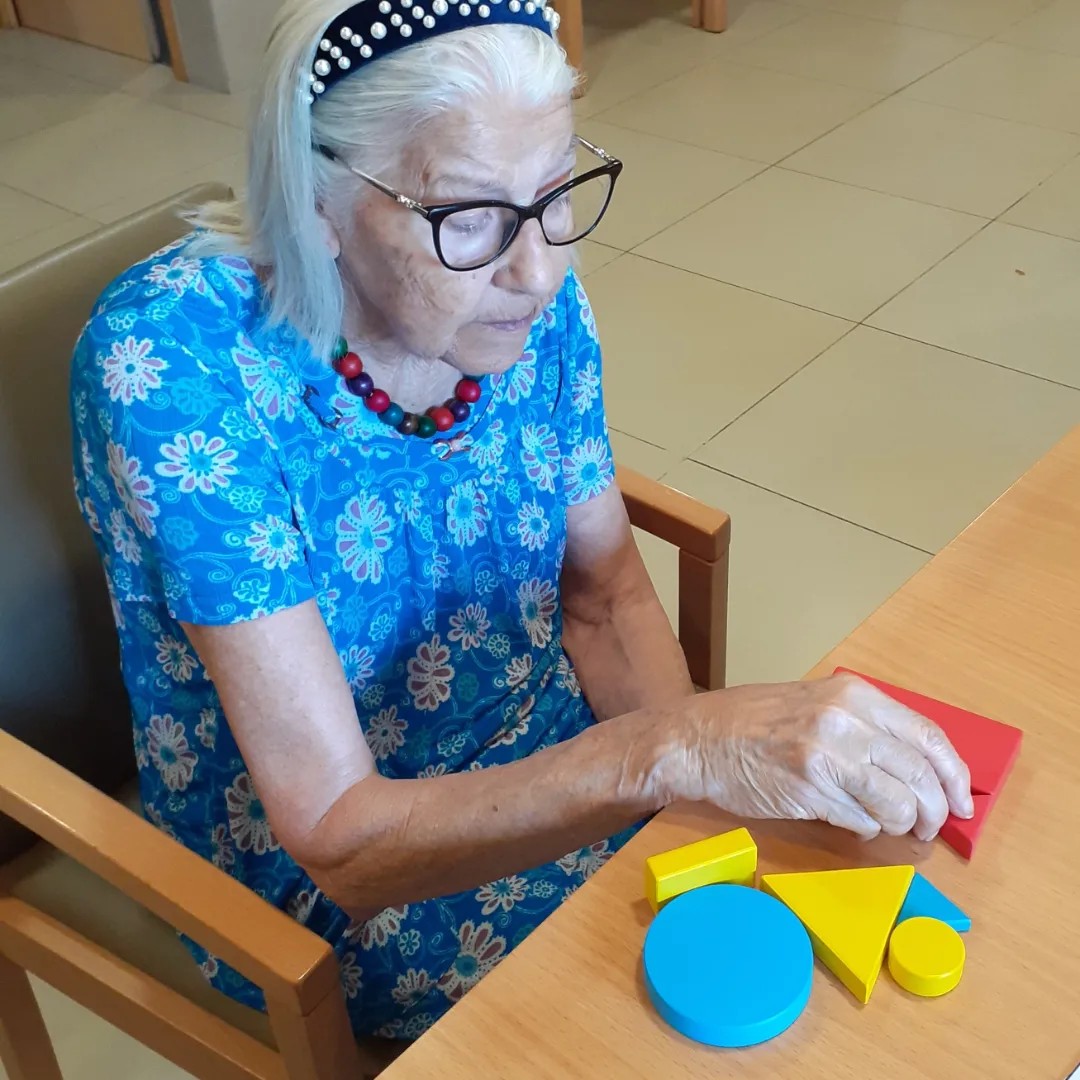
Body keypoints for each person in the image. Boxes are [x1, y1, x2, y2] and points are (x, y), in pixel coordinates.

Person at [70, 0, 973, 1043]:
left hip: (556, 747)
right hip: (334, 874)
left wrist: (693, 824)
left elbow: (606, 598)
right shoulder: (175, 369)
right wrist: (671, 749)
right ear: (315, 200)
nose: (540, 271)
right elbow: (340, 838)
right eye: (468, 216)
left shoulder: (518, 298)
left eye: (553, 194)